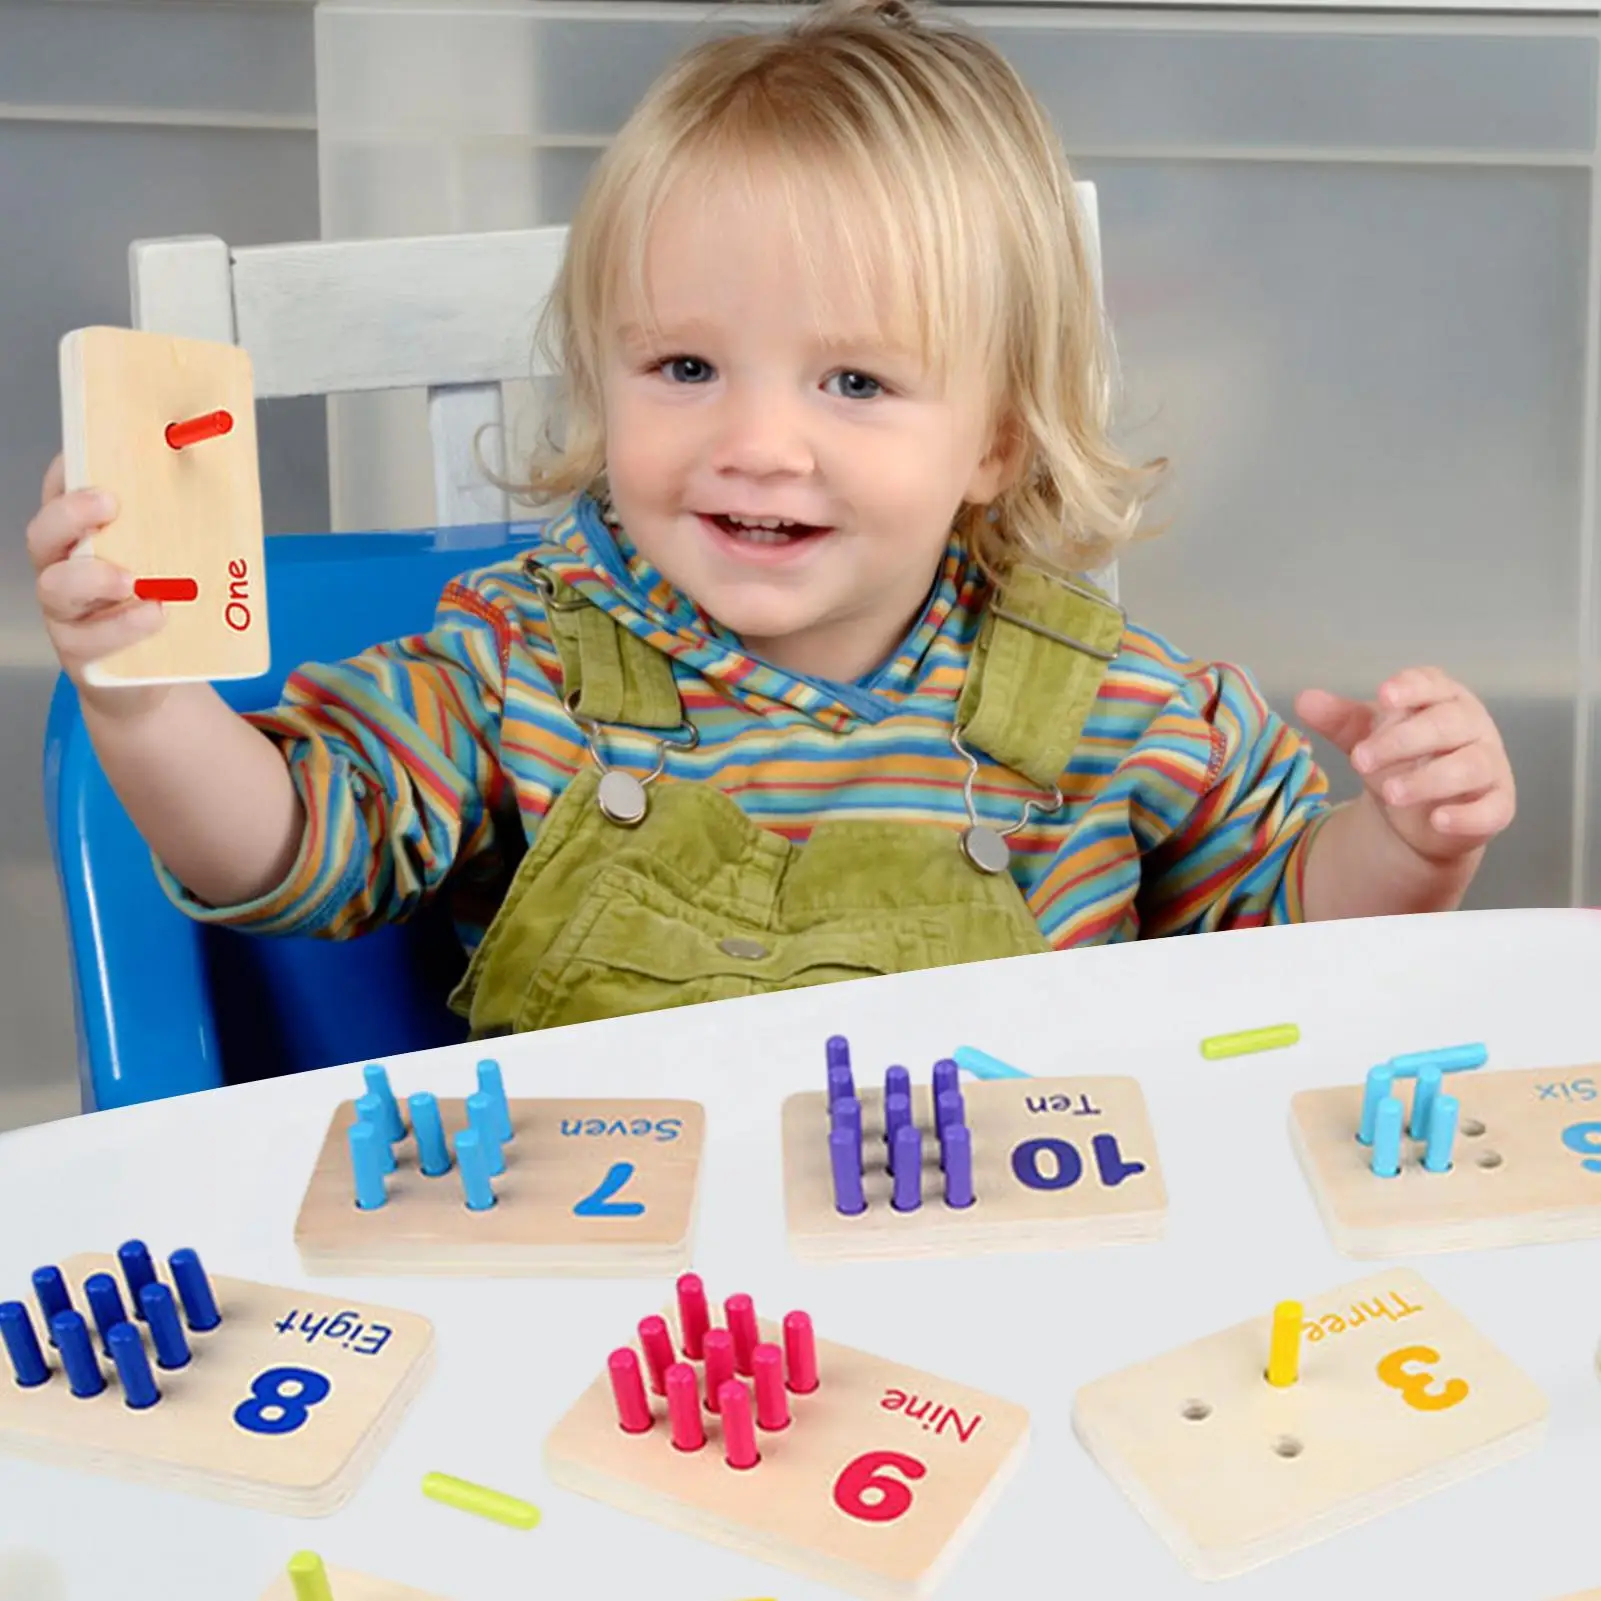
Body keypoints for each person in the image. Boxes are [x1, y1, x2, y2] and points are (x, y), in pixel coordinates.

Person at [27, 0, 1514, 1037]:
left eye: (856, 381)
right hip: (617, 1301)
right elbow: (290, 848)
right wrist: (143, 698)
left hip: (1022, 1271)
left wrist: (1409, 844)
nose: (756, 444)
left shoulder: (1113, 704)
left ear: (994, 438)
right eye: (683, 366)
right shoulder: (518, 665)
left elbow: (1281, 937)